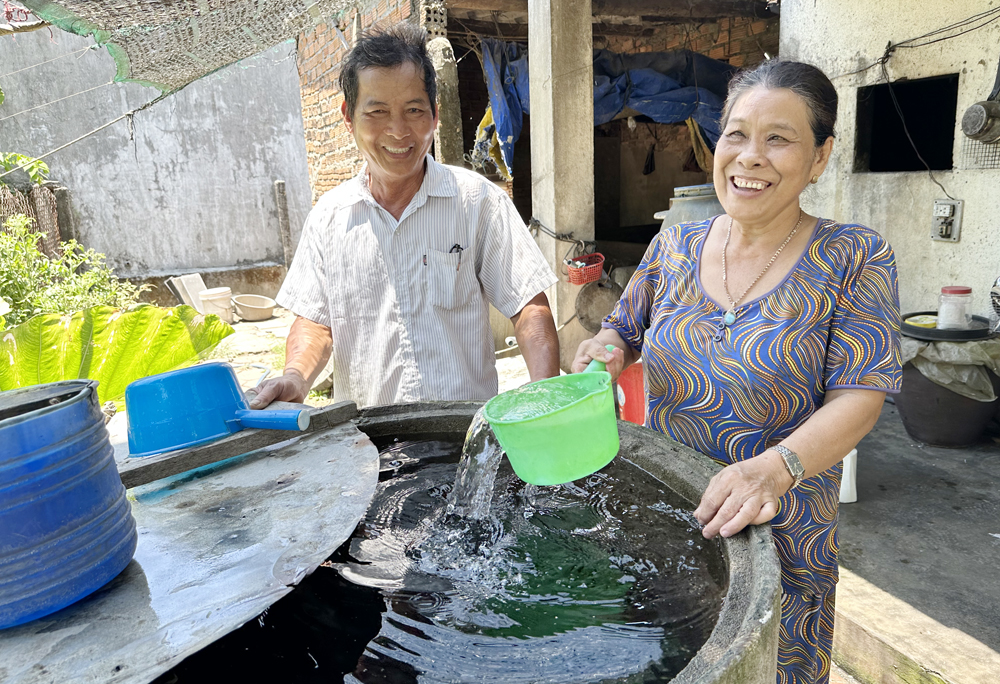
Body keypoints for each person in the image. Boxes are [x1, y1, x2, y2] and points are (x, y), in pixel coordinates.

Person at [573, 60, 901, 684]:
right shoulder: (675, 244)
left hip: (782, 537)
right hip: (672, 525)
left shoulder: (854, 255)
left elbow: (862, 395)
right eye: (736, 134)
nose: (750, 157)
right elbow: (621, 329)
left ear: (821, 156)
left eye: (778, 138)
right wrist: (606, 349)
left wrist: (774, 470)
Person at [250, 23, 559, 409]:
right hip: (365, 446)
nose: (398, 131)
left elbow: (528, 305)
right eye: (377, 111)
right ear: (349, 116)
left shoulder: (477, 201)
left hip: (461, 441)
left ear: (435, 116)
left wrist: (546, 397)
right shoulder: (329, 219)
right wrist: (295, 376)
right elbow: (316, 323)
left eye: (414, 110)